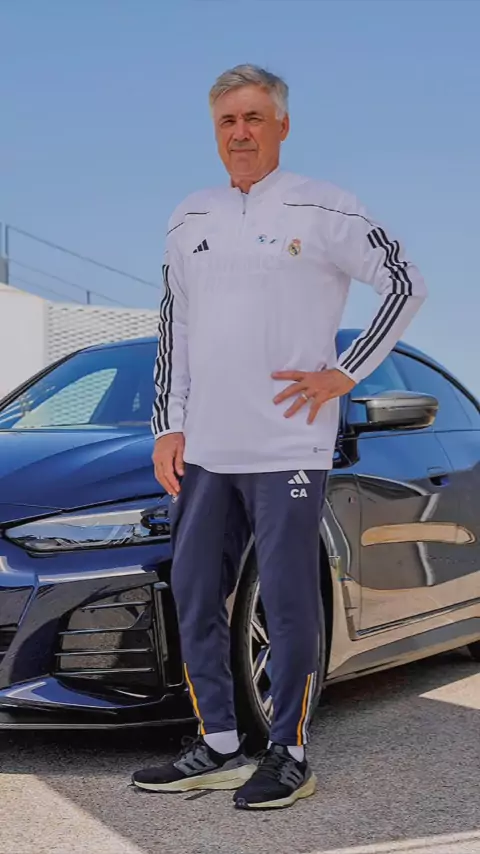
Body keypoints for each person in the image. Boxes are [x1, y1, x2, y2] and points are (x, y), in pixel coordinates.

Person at [132, 64, 427, 810]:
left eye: (254, 118)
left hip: (288, 446)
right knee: (195, 594)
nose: (241, 133)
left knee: (291, 599)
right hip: (207, 449)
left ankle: (289, 753)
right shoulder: (188, 217)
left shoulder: (324, 205)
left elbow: (404, 282)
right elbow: (174, 327)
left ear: (283, 126)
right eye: (228, 121)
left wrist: (345, 372)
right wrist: (169, 424)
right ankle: (219, 744)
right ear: (215, 131)